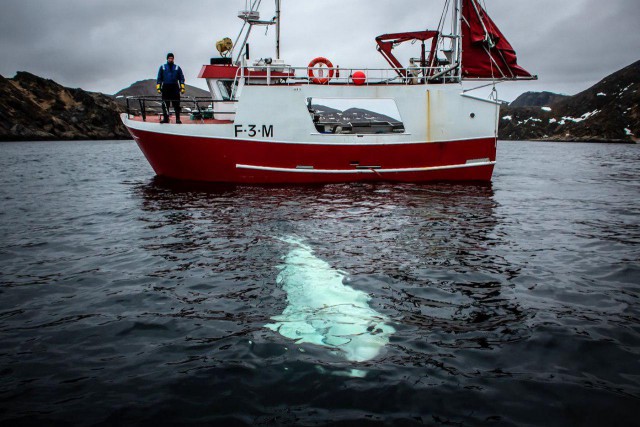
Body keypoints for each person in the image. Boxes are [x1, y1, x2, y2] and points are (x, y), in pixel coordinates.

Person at [156, 53, 185, 124]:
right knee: (165, 104)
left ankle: (178, 119)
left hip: (175, 87)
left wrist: (182, 87)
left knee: (176, 104)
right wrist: (158, 88)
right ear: (167, 59)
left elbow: (181, 78)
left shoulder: (177, 68)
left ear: (173, 59)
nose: (170, 59)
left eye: (172, 58)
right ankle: (165, 119)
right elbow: (159, 78)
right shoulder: (162, 67)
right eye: (169, 58)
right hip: (166, 87)